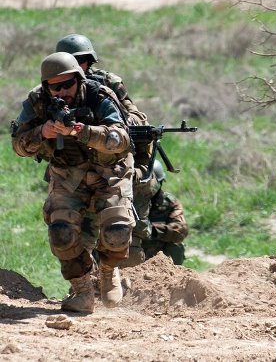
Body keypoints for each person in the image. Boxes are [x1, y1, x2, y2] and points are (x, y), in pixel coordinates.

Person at [11, 52, 137, 313]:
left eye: (68, 84)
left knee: (117, 231)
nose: (63, 92)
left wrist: (82, 132)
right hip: (67, 174)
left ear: (79, 80)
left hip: (109, 172)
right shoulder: (37, 101)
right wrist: (41, 132)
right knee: (61, 232)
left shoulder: (98, 96)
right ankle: (82, 289)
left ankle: (107, 270)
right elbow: (19, 146)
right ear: (47, 86)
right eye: (56, 86)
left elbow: (120, 139)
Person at [55, 34, 151, 266]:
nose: (78, 67)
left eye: (82, 61)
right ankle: (84, 286)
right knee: (73, 233)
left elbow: (137, 118)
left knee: (124, 228)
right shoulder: (54, 90)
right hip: (74, 170)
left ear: (89, 61)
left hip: (111, 164)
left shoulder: (107, 84)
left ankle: (125, 282)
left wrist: (113, 125)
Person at [141, 159, 188, 265]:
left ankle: (172, 277)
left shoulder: (169, 202)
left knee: (176, 246)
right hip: (131, 249)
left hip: (159, 253)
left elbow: (181, 230)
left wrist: (152, 230)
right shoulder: (128, 202)